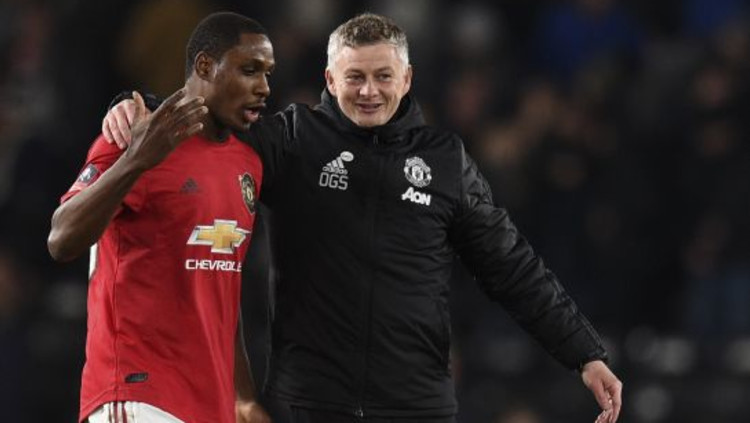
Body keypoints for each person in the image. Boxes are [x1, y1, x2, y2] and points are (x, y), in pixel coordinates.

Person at [103, 13, 622, 423]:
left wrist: (583, 352)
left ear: (407, 78)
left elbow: (510, 264)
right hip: (309, 404)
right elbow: (213, 119)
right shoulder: (293, 141)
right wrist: (137, 105)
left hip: (416, 407)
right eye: (355, 77)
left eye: (382, 76)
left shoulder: (445, 160)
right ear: (331, 78)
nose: (368, 91)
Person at [48, 12, 275, 423]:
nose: (263, 87)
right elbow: (61, 239)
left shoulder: (247, 165)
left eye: (267, 73)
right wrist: (136, 159)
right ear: (204, 66)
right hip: (138, 394)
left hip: (209, 404)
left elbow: (222, 291)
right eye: (249, 70)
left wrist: (242, 397)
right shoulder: (133, 136)